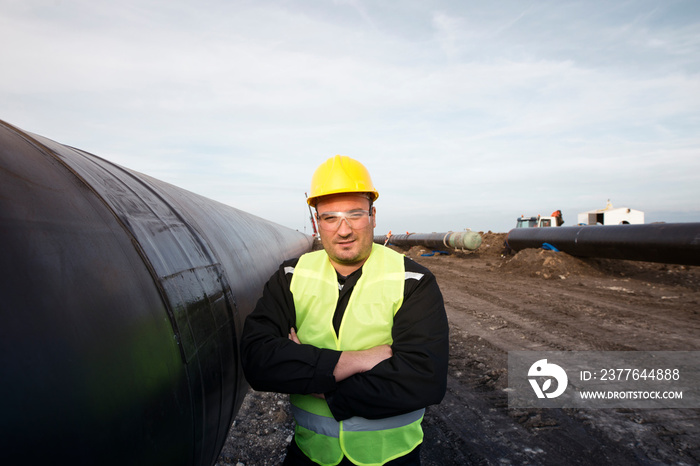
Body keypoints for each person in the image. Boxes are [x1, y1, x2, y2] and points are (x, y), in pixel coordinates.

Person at [240, 155, 449, 466]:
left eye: (355, 214)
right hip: (311, 454)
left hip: (390, 457)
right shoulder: (291, 276)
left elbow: (423, 379)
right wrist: (357, 360)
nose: (344, 230)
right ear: (316, 222)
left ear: (373, 215)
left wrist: (311, 376)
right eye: (330, 217)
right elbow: (258, 361)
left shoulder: (412, 280)